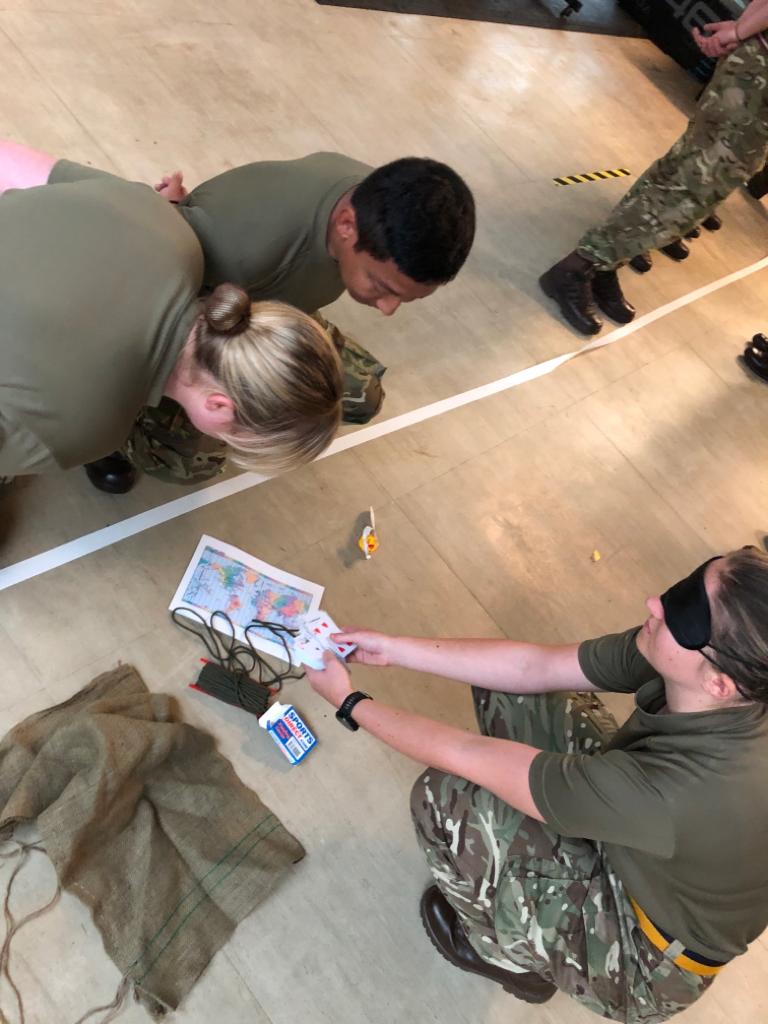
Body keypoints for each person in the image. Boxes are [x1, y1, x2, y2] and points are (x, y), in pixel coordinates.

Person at [304, 547, 768, 1021]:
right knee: (515, 689)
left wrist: (349, 701)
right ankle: (544, 886)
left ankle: (511, 960)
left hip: (644, 958)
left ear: (719, 683)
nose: (655, 604)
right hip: (654, 848)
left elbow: (466, 755)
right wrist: (392, 648)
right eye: (681, 589)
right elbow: (535, 668)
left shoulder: (680, 791)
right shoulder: (707, 667)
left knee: (444, 800)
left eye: (684, 611)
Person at [86, 151, 475, 491]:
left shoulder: (378, 199)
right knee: (189, 463)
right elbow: (121, 300)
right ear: (345, 225)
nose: (388, 308)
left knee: (358, 395)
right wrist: (168, 219)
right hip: (202, 336)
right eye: (381, 285)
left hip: (265, 316)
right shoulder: (235, 247)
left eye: (405, 298)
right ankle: (115, 438)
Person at [0, 158, 343, 480]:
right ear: (218, 407)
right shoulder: (85, 428)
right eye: (233, 441)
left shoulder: (176, 234)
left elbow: (35, 169)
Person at [539, 1, 768, 336]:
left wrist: (742, 31)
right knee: (694, 187)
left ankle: (605, 261)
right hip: (760, 78)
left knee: (680, 170)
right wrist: (739, 31)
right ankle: (580, 266)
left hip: (756, 67)